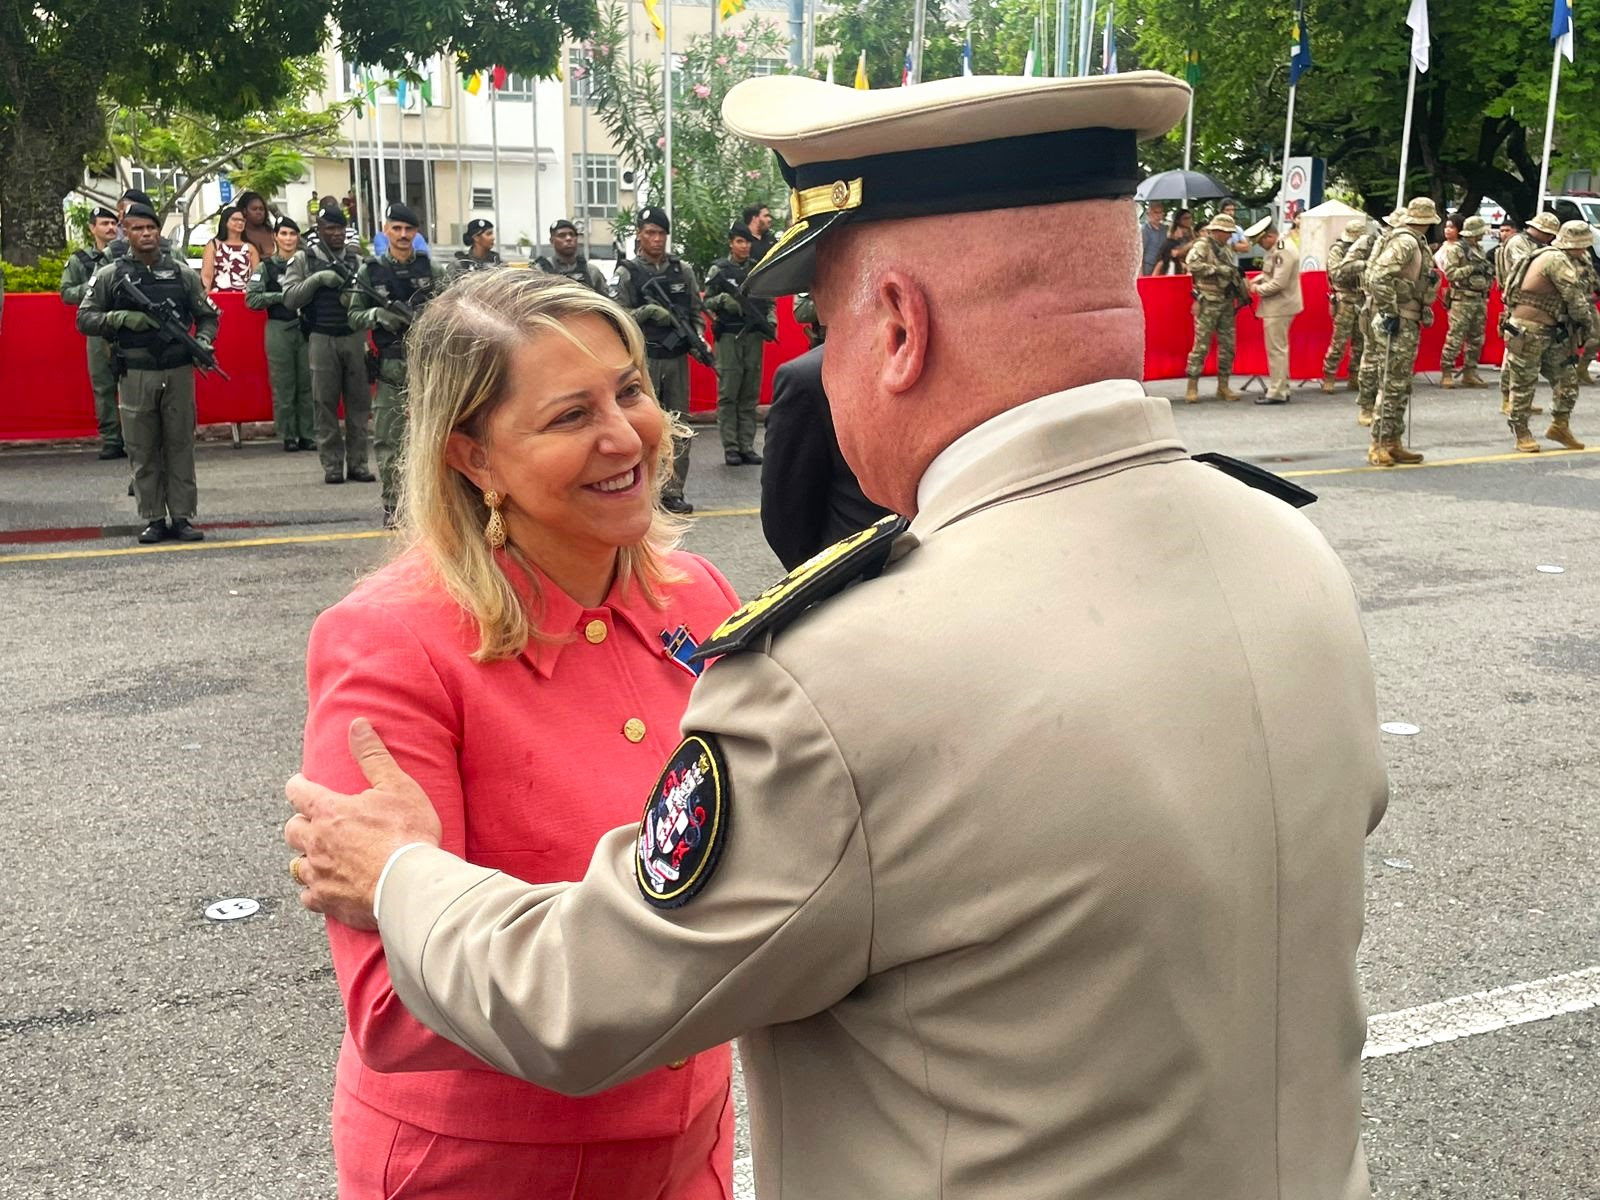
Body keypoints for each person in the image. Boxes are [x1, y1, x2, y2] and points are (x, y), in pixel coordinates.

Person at [287, 70, 1389, 1200]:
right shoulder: (1285, 552)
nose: (627, 434)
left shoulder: (844, 672)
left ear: (900, 325)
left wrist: (403, 876)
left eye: (824, 324)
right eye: (572, 413)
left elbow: (589, 994)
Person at [298, 269, 736, 1199]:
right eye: (569, 416)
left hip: (690, 1141)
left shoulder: (698, 596)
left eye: (630, 390)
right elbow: (388, 1003)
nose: (626, 437)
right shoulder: (391, 645)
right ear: (473, 457)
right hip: (490, 1169)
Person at [76, 202, 219, 544]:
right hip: (136, 371)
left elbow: (209, 316)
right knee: (143, 447)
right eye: (138, 229)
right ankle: (153, 517)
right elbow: (84, 318)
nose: (146, 234)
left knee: (180, 444)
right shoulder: (112, 274)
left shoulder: (182, 274)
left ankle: (182, 516)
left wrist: (202, 340)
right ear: (127, 233)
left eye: (151, 228)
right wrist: (122, 319)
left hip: (178, 369)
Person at [349, 203, 450, 527]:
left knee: (435, 439)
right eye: (397, 229)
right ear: (386, 230)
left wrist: (429, 320)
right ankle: (394, 504)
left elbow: (453, 309)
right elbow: (353, 315)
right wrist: (379, 316)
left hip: (428, 366)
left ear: (416, 232)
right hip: (392, 366)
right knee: (390, 439)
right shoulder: (371, 272)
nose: (403, 235)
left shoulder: (432, 269)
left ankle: (433, 505)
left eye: (409, 229)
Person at [760, 344, 891, 569]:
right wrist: (826, 580)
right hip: (858, 575)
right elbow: (786, 521)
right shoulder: (809, 378)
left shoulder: (958, 362)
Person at [613, 207, 700, 515]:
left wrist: (695, 338)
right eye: (650, 232)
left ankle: (674, 490)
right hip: (643, 361)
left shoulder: (682, 270)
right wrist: (646, 313)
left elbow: (693, 311)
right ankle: (640, 488)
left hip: (675, 359)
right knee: (639, 425)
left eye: (661, 233)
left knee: (679, 425)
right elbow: (617, 317)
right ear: (639, 233)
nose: (656, 239)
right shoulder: (627, 272)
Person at [283, 200, 374, 485]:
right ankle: (332, 466)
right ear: (319, 229)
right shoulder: (304, 259)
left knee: (359, 405)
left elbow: (370, 296)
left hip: (353, 336)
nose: (336, 233)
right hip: (321, 338)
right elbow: (289, 298)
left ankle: (358, 463)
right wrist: (318, 280)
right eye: (330, 228)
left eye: (340, 228)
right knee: (324, 404)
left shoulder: (357, 260)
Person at [1500, 219, 1597, 453]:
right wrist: (1586, 323)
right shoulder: (1556, 260)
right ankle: (1521, 433)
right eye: (1582, 245)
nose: (1585, 250)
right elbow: (1574, 298)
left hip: (1550, 333)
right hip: (1528, 331)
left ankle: (1560, 426)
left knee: (1567, 380)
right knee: (1524, 385)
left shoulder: (1554, 256)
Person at [1365, 196, 1441, 466]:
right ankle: (1379, 443)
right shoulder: (1407, 242)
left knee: (1400, 385)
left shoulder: (1411, 241)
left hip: (1407, 318)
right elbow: (1378, 277)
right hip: (1397, 318)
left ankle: (1392, 440)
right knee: (1391, 384)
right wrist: (1389, 310)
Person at [703, 222, 775, 465]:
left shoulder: (758, 270)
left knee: (749, 393)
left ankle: (747, 445)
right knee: (729, 393)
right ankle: (731, 447)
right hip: (729, 339)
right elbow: (705, 301)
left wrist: (770, 323)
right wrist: (724, 299)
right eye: (739, 242)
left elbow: (769, 302)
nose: (744, 246)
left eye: (747, 242)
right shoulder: (719, 270)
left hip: (753, 336)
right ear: (731, 243)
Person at [60, 206, 125, 459]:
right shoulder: (81, 260)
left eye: (113, 223)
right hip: (97, 327)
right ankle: (111, 439)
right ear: (92, 228)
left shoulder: (126, 255)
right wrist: (93, 287)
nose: (110, 228)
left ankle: (135, 439)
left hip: (125, 326)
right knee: (103, 385)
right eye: (104, 224)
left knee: (132, 383)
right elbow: (66, 293)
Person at [246, 217, 316, 453]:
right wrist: (283, 296)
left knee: (308, 383)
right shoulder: (266, 267)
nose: (288, 239)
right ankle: (288, 435)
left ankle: (308, 433)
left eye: (292, 234)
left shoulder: (308, 264)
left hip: (305, 327)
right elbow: (252, 299)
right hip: (278, 327)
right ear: (275, 236)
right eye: (283, 233)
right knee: (283, 384)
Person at [1497, 212, 1560, 416]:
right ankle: (1508, 398)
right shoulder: (1518, 243)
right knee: (1515, 353)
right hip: (1518, 304)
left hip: (1533, 305)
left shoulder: (1537, 245)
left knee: (1529, 358)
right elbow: (1524, 269)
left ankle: (1522, 398)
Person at [1353, 208, 1407, 428]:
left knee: (1383, 360)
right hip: (1377, 304)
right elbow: (1374, 276)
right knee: (1372, 357)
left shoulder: (1392, 243)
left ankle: (1378, 406)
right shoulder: (1383, 243)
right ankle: (1367, 405)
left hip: (1384, 303)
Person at [1183, 212, 1243, 401]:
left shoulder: (1225, 249)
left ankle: (1223, 386)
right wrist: (1217, 269)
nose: (1230, 236)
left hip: (1225, 301)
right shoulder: (1202, 245)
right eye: (1227, 232)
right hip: (1208, 301)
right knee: (1201, 346)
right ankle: (1192, 386)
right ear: (1216, 231)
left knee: (1228, 346)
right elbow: (1191, 265)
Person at [1248, 218, 1302, 404]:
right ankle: (1282, 387)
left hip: (1279, 305)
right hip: (1281, 305)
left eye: (1261, 241)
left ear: (1270, 236)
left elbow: (1278, 283)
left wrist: (1256, 289)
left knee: (1276, 350)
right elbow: (1272, 273)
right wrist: (1258, 279)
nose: (1260, 246)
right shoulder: (1279, 248)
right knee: (1279, 348)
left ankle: (1277, 391)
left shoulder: (1282, 250)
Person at [1437, 215, 1493, 389]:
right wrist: (1472, 268)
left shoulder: (1479, 250)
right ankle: (1447, 371)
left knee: (1476, 338)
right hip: (1462, 298)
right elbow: (1451, 273)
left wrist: (1487, 274)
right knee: (1455, 337)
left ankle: (1470, 371)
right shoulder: (1457, 250)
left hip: (1479, 298)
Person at [1321, 217, 1369, 395]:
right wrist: (1356, 265)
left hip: (1362, 298)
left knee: (1361, 341)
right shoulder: (1338, 250)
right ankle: (1329, 375)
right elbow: (1336, 274)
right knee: (1339, 341)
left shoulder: (1366, 250)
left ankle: (1355, 375)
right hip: (1345, 299)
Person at [534, 219, 609, 293]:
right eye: (562, 235)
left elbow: (607, 301)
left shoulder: (591, 271)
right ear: (552, 241)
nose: (568, 238)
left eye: (572, 234)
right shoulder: (540, 271)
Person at [201, 206, 260, 292]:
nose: (240, 222)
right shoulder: (213, 245)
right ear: (225, 222)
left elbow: (256, 277)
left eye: (242, 220)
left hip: (244, 298)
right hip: (218, 297)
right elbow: (207, 276)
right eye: (235, 219)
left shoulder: (251, 248)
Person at [108, 189, 174, 261]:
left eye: (127, 212)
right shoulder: (112, 252)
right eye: (119, 213)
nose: (120, 218)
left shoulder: (170, 251)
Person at [234, 191, 278, 260]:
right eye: (254, 209)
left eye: (261, 209)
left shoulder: (272, 233)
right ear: (244, 211)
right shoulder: (237, 235)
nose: (259, 212)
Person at [1152, 208, 1194, 274]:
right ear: (1178, 220)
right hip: (1174, 265)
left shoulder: (1191, 233)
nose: (1189, 220)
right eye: (1185, 218)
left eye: (1190, 217)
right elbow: (1174, 253)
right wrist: (1190, 244)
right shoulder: (1173, 235)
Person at [1139, 199, 1166, 274]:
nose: (1158, 215)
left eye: (1160, 212)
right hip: (1148, 267)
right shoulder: (1144, 230)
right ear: (1148, 213)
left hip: (1161, 266)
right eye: (1155, 212)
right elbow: (1140, 253)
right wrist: (1140, 273)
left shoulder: (1164, 229)